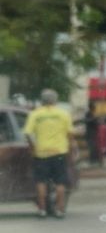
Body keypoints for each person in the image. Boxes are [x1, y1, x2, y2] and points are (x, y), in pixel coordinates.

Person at [23, 89, 72, 219]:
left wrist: (32, 147)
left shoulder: (35, 114)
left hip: (41, 153)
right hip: (59, 152)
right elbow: (70, 133)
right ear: (55, 100)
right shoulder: (63, 114)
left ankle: (42, 210)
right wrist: (68, 147)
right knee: (60, 182)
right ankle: (59, 210)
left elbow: (27, 132)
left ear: (42, 100)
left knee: (41, 181)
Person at [83, 102, 101, 166]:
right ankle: (92, 160)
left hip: (95, 133)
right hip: (90, 134)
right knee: (92, 147)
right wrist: (94, 119)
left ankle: (95, 160)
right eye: (94, 107)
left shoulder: (93, 114)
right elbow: (86, 121)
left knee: (95, 147)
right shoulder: (88, 114)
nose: (95, 108)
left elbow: (97, 123)